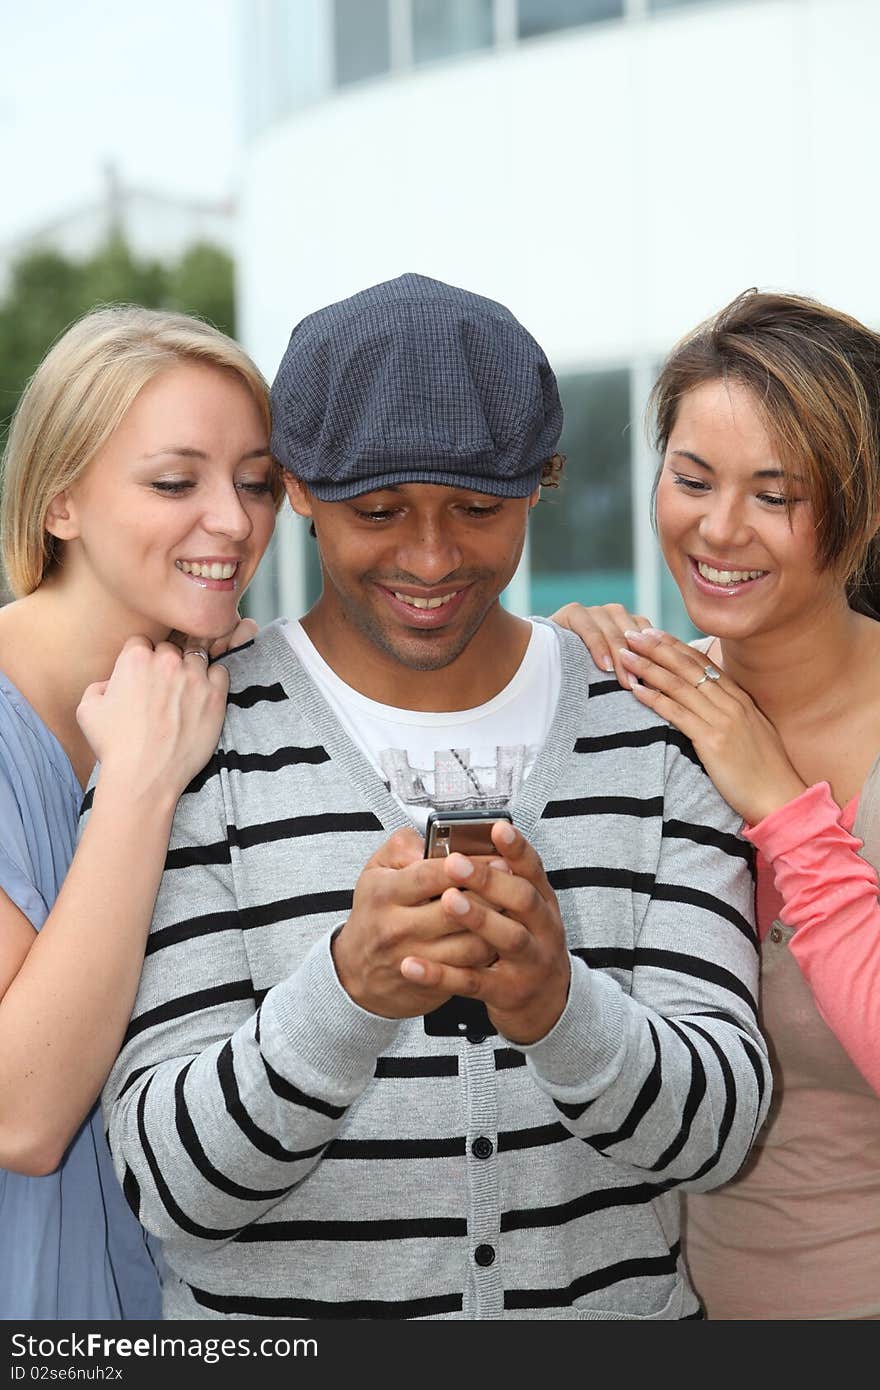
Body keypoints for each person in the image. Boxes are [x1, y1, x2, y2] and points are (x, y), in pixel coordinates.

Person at [101, 272, 770, 1322]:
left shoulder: (658, 729)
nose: (428, 557)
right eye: (377, 511)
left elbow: (718, 1135)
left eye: (475, 509)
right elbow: (169, 1184)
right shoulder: (186, 741)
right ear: (299, 493)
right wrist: (345, 994)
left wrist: (559, 1007)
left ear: (540, 484)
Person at [551, 288, 880, 1319]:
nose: (718, 527)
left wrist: (779, 803)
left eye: (773, 494)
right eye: (691, 479)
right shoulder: (641, 705)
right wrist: (542, 678)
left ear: (863, 512)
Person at [0, 304, 282, 1319]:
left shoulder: (221, 682)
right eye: (176, 480)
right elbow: (23, 1111)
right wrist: (139, 785)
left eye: (256, 481)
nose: (235, 519)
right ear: (60, 499)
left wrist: (571, 640)